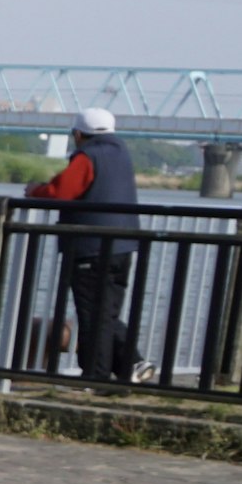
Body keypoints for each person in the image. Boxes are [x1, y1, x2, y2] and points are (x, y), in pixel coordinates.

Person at [24, 106, 142, 382]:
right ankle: (132, 366)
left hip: (92, 247)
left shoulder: (89, 155)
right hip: (123, 247)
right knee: (106, 313)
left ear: (78, 134)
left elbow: (61, 192)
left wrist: (35, 191)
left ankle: (96, 377)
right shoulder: (121, 153)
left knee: (93, 315)